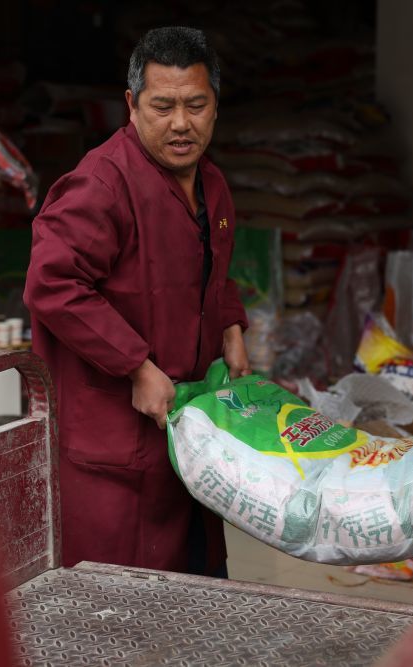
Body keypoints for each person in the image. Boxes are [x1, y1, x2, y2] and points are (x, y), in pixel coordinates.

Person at [23, 26, 250, 577]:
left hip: (186, 423)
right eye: (162, 107)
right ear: (131, 104)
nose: (181, 123)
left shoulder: (212, 184)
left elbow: (210, 273)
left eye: (196, 105)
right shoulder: (102, 184)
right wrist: (137, 366)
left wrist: (231, 327)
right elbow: (52, 282)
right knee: (125, 597)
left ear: (216, 106)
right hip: (115, 440)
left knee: (197, 579)